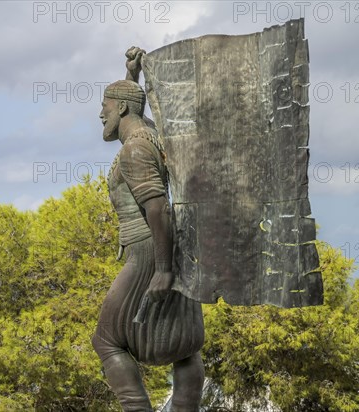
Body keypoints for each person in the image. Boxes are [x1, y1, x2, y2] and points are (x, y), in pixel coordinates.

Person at [91, 48, 205, 412]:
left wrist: (163, 269)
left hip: (148, 253)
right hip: (171, 250)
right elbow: (138, 110)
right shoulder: (152, 136)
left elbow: (157, 208)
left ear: (121, 109)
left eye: (105, 107)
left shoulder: (134, 152)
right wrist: (132, 76)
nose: (100, 114)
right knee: (185, 346)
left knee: (107, 340)